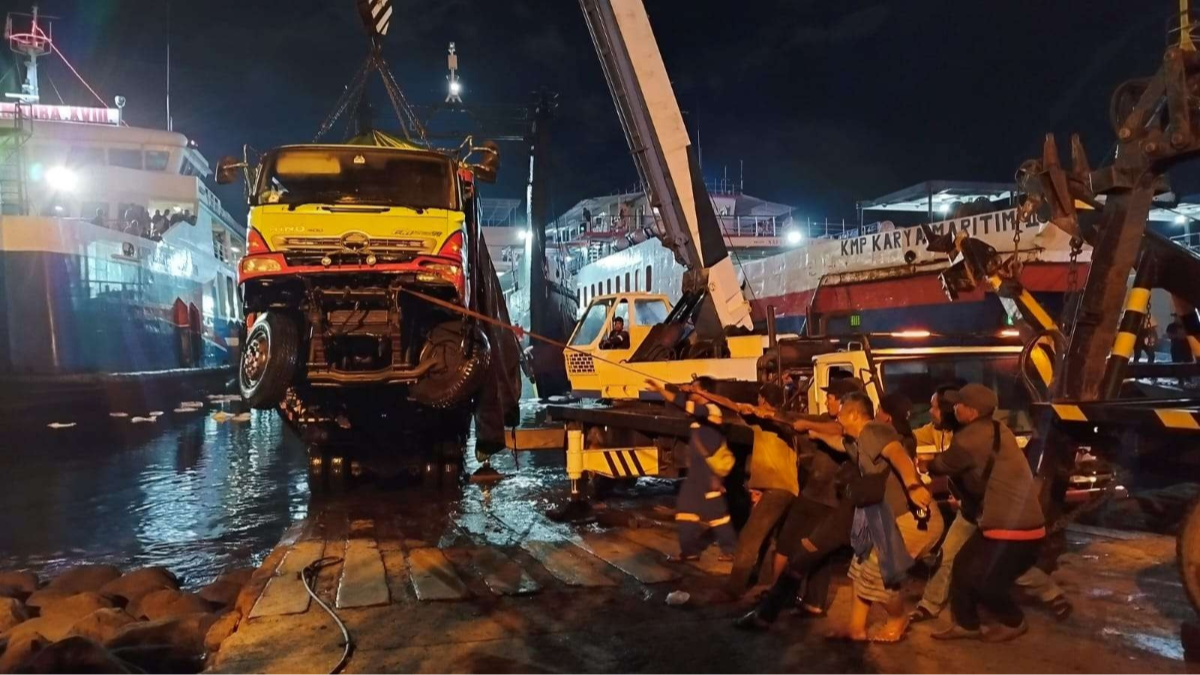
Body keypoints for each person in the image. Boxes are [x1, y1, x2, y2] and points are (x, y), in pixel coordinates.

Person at [732, 378, 864, 630]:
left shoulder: (853, 431)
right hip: (824, 499)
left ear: (846, 404)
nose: (827, 400)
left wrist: (807, 426)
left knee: (792, 551)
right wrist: (781, 417)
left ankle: (772, 603)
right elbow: (802, 423)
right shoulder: (833, 424)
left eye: (831, 397)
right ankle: (808, 603)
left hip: (825, 500)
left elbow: (836, 433)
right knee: (815, 553)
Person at [814, 392, 943, 642]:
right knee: (860, 568)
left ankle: (898, 618)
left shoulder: (875, 431)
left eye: (841, 413)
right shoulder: (860, 441)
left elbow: (898, 455)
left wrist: (913, 486)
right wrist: (808, 428)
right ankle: (856, 628)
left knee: (879, 573)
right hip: (889, 520)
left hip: (913, 521)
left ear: (853, 414)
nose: (838, 418)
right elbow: (836, 441)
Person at [926, 384, 1047, 642]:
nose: (953, 408)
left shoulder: (969, 439)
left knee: (985, 580)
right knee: (963, 566)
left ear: (970, 411)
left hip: (1011, 527)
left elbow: (940, 466)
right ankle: (967, 624)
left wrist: (923, 462)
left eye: (958, 404)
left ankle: (1014, 621)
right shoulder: (999, 428)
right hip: (1021, 521)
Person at [647, 378, 737, 562]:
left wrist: (686, 391)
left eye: (696, 389)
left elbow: (687, 406)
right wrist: (660, 390)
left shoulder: (713, 410)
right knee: (685, 511)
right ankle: (689, 551)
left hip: (710, 473)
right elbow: (679, 403)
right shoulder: (699, 418)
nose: (691, 392)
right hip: (696, 473)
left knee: (717, 515)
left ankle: (731, 549)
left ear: (705, 392)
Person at [725, 383, 798, 596]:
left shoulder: (766, 420)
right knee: (770, 537)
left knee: (750, 537)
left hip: (778, 489)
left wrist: (702, 394)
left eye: (759, 399)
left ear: (763, 400)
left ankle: (734, 588)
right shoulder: (788, 418)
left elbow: (732, 405)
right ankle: (765, 581)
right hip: (787, 488)